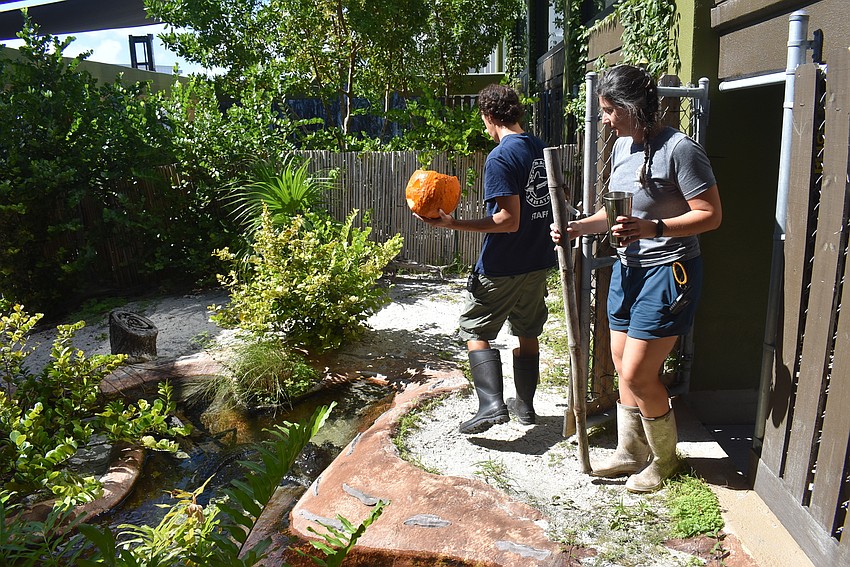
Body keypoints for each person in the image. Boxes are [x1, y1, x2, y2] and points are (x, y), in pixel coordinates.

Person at [551, 64, 722, 492]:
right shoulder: (625, 149)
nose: (605, 119)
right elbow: (617, 214)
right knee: (622, 367)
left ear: (631, 108)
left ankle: (664, 460)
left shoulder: (681, 150)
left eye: (609, 110)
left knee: (639, 374)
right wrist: (577, 228)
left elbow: (710, 215)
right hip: (629, 272)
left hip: (669, 271)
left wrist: (654, 229)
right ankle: (630, 452)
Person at [414, 83, 557, 434]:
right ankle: (525, 407)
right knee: (527, 330)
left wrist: (453, 223)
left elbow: (508, 221)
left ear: (490, 116)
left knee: (475, 329)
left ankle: (492, 406)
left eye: (483, 120)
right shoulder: (539, 148)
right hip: (538, 259)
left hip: (502, 265)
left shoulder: (501, 156)